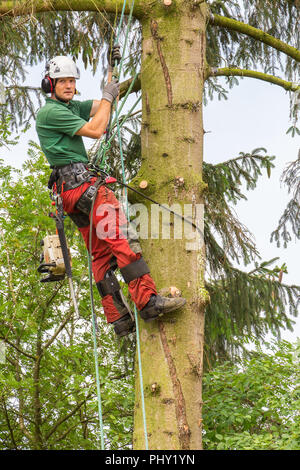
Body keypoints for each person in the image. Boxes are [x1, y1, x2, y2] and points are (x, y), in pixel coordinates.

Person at [35, 53, 186, 337]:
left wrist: (110, 87)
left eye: (71, 81)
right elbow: (97, 129)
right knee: (122, 238)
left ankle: (119, 319)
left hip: (71, 193)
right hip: (85, 189)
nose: (68, 85)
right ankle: (148, 301)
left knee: (101, 254)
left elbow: (101, 107)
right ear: (49, 83)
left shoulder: (68, 106)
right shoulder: (51, 112)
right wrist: (106, 96)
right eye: (62, 81)